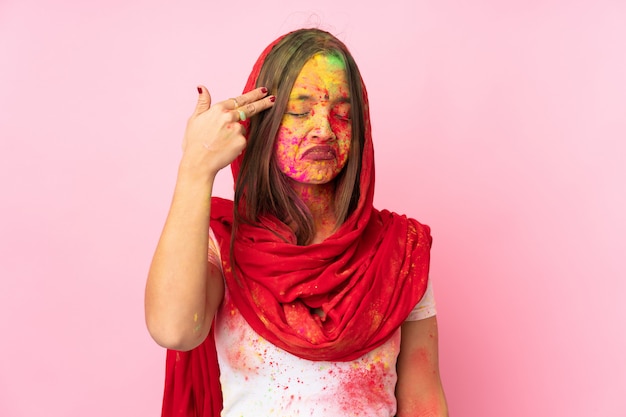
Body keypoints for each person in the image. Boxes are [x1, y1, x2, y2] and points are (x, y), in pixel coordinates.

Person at [145, 28, 448, 417]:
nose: (324, 128)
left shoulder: (400, 254)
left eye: (342, 113)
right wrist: (195, 169)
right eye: (301, 110)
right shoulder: (222, 244)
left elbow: (423, 400)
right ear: (263, 122)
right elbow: (174, 331)